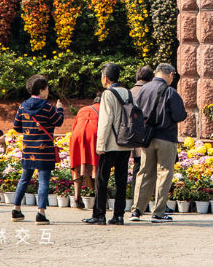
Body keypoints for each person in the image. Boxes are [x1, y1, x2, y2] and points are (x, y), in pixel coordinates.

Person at [132, 62, 187, 223]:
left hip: (146, 138)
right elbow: (179, 115)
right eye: (173, 76)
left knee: (144, 173)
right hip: (166, 137)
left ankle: (136, 210)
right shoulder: (170, 92)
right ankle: (158, 212)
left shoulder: (143, 90)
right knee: (164, 173)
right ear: (169, 74)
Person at [86, 62, 134, 225]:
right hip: (126, 143)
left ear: (105, 78)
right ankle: (118, 216)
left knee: (102, 179)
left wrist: (100, 145)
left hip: (110, 144)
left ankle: (99, 215)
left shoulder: (108, 94)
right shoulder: (127, 92)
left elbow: (106, 121)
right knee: (121, 180)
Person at [12, 74, 65, 223]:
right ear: (41, 90)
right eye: (47, 89)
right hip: (44, 150)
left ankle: (16, 210)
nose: (48, 91)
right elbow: (59, 121)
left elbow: (16, 126)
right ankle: (40, 213)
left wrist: (30, 133)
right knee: (43, 181)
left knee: (24, 179)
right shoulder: (47, 107)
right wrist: (60, 109)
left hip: (28, 149)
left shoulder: (22, 106)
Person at [68, 101, 100, 209]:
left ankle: (77, 196)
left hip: (77, 136)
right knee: (96, 165)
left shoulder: (83, 109)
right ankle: (98, 198)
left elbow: (74, 127)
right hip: (93, 135)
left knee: (77, 165)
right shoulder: (103, 109)